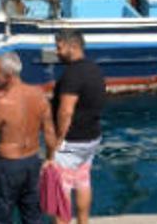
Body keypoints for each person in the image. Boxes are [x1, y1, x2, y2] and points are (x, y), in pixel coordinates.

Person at [0, 52, 57, 224]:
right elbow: (50, 133)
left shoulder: (2, 102)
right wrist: (50, 158)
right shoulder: (39, 94)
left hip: (9, 166)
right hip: (33, 162)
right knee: (33, 217)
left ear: (8, 76)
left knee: (1, 218)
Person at [47, 29, 105, 224]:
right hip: (91, 138)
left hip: (71, 142)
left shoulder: (72, 74)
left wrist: (58, 141)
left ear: (73, 46)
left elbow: (66, 111)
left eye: (59, 47)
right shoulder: (95, 69)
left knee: (60, 193)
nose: (57, 51)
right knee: (82, 181)